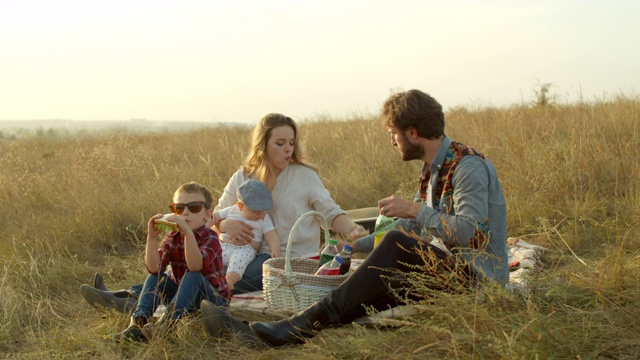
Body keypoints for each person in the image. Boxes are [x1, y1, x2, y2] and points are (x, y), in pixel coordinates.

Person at [200, 89, 509, 347]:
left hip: (479, 281)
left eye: (393, 134)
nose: (393, 141)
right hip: (445, 273)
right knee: (369, 285)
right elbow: (414, 227)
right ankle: (274, 333)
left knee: (395, 243)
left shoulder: (467, 166)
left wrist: (415, 209)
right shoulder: (432, 170)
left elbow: (471, 233)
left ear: (412, 133)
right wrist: (357, 245)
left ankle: (294, 326)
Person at [80, 113, 367, 312]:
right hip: (237, 250)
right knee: (191, 264)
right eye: (280, 143)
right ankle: (130, 295)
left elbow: (332, 214)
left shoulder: (305, 176)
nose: (288, 149)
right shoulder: (243, 176)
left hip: (284, 259)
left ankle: (138, 298)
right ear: (263, 145)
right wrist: (225, 224)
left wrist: (355, 232)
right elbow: (212, 217)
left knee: (220, 275)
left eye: (291, 143)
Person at [111, 182, 230, 342]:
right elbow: (154, 268)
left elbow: (195, 267)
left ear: (207, 215)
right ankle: (138, 323)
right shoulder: (173, 238)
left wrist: (188, 234)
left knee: (192, 276)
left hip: (211, 301)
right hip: (182, 298)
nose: (185, 213)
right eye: (179, 208)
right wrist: (152, 237)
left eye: (193, 207)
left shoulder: (210, 237)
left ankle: (167, 325)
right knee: (156, 277)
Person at [212, 179, 281, 291]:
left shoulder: (264, 219)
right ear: (240, 206)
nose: (261, 214)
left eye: (264, 210)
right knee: (209, 256)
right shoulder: (232, 210)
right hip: (223, 245)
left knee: (237, 264)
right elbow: (215, 217)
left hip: (245, 249)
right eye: (256, 211)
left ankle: (229, 281)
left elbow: (271, 234)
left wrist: (275, 249)